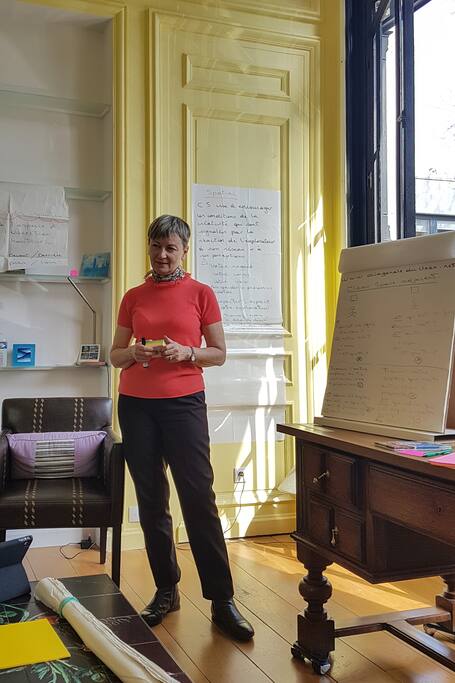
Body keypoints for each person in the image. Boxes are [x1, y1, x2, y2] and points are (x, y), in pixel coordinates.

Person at [110, 214, 254, 641]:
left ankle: (222, 600)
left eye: (171, 247)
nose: (162, 254)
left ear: (185, 251)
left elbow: (219, 353)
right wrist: (134, 353)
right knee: (151, 499)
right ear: (149, 247)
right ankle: (166, 590)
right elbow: (115, 354)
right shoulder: (133, 297)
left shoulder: (201, 293)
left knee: (197, 498)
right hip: (136, 406)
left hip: (184, 405)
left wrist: (187, 352)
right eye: (156, 246)